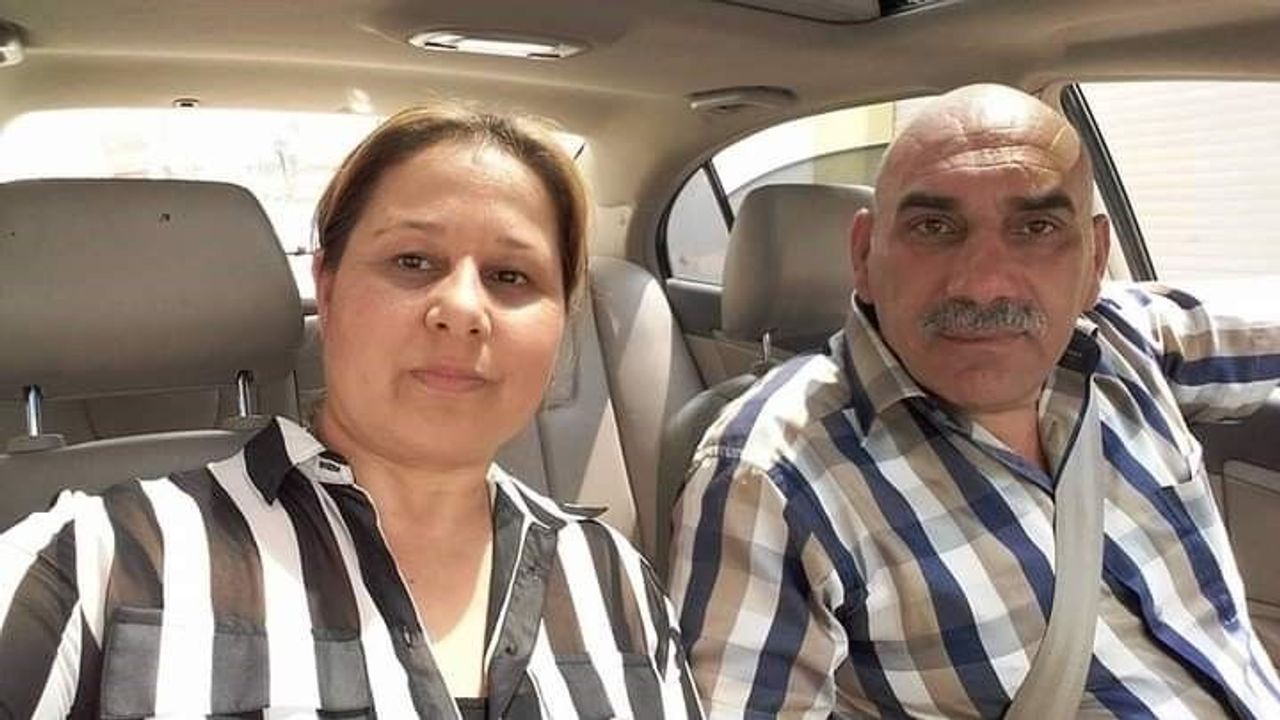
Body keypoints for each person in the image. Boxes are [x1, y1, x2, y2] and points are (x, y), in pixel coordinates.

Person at [0, 104, 701, 718]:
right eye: (412, 261)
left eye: (510, 276)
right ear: (328, 288)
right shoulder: (95, 563)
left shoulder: (617, 582)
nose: (462, 308)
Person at [669, 84, 1280, 718]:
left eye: (1037, 228)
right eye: (933, 228)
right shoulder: (771, 475)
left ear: (1095, 259)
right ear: (864, 256)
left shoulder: (1127, 339)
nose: (983, 285)